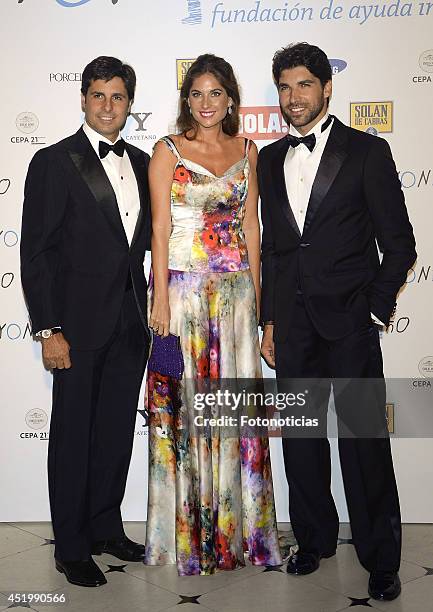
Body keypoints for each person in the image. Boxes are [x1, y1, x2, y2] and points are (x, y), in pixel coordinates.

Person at [258, 43, 416, 601]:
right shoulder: (269, 159)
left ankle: (380, 558)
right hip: (293, 329)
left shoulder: (367, 152)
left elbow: (400, 244)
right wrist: (270, 323)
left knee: (364, 444)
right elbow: (276, 250)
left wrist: (374, 309)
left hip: (351, 325)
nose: (293, 97)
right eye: (284, 87)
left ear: (327, 88)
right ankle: (313, 539)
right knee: (301, 443)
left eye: (303, 85)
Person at [144, 53, 281, 575]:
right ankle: (190, 537)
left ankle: (240, 533)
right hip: (182, 294)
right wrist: (159, 299)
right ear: (187, 100)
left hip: (237, 298)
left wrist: (260, 296)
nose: (205, 103)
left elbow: (251, 230)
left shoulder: (250, 151)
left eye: (215, 93)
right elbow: (158, 230)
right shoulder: (168, 152)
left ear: (230, 99)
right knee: (183, 411)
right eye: (196, 94)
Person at [20, 56, 151, 588]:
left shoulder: (144, 162)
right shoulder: (53, 162)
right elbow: (37, 254)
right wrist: (49, 329)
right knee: (73, 437)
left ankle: (105, 527)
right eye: (98, 95)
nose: (107, 105)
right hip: (74, 328)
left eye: (117, 97)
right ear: (82, 98)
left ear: (128, 104)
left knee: (117, 434)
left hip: (131, 324)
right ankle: (71, 546)